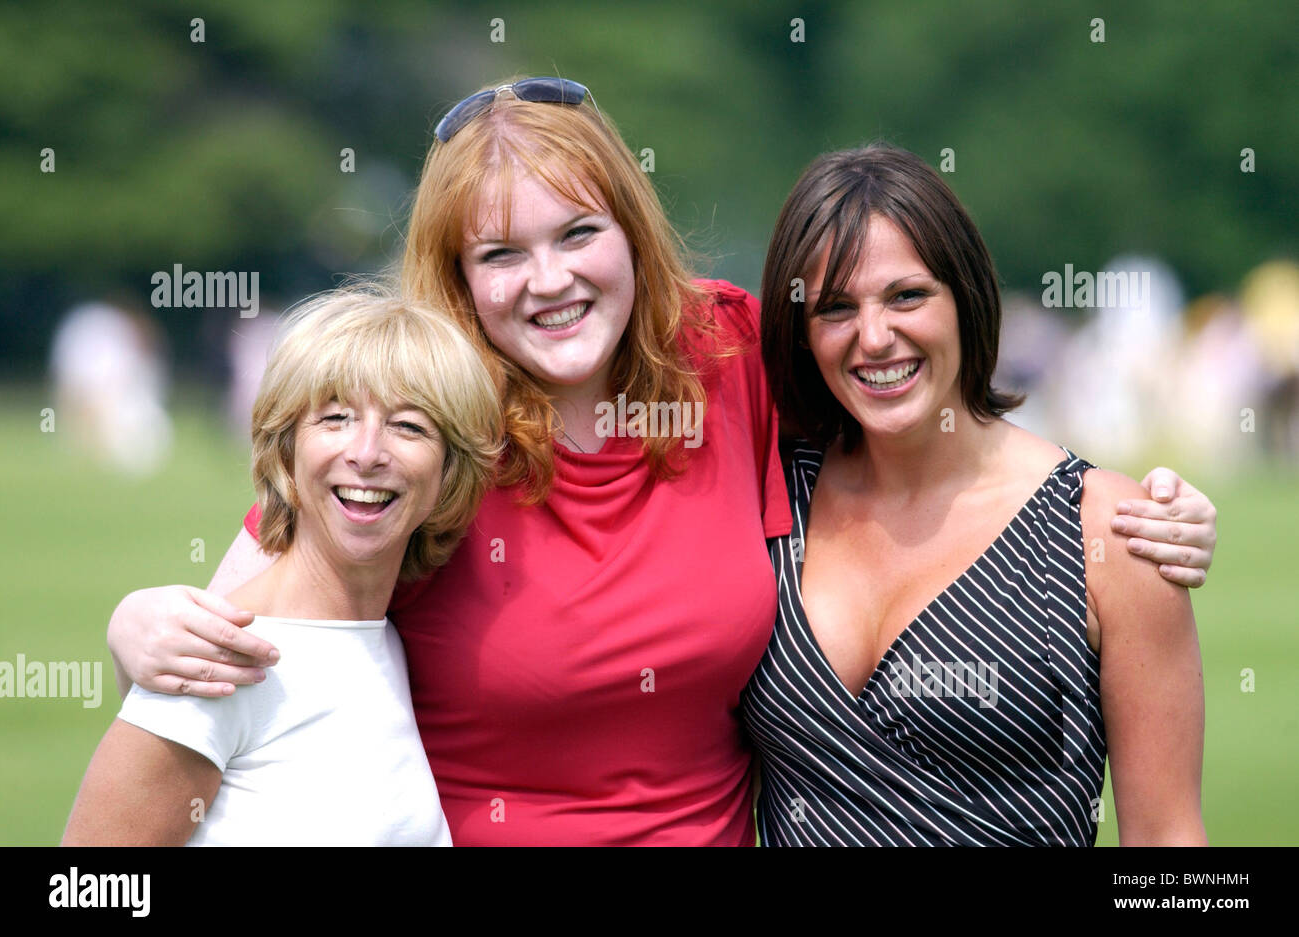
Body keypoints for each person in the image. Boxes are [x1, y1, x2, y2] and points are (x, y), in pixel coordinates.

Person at [103, 79, 1218, 846]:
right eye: (501, 254)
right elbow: (254, 613)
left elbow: (911, 404)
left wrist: (1124, 506)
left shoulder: (735, 362)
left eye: (577, 234)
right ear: (458, 278)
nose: (548, 280)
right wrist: (138, 627)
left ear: (632, 232)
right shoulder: (420, 427)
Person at [745, 145, 1208, 846]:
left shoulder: (1107, 530)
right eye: (837, 307)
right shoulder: (769, 495)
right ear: (802, 333)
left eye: (907, 296)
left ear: (965, 295)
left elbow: (1170, 848)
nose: (875, 337)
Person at [64, 288, 502, 845]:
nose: (367, 453)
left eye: (409, 426)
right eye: (336, 418)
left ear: (450, 472)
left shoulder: (390, 643)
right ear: (286, 451)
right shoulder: (214, 659)